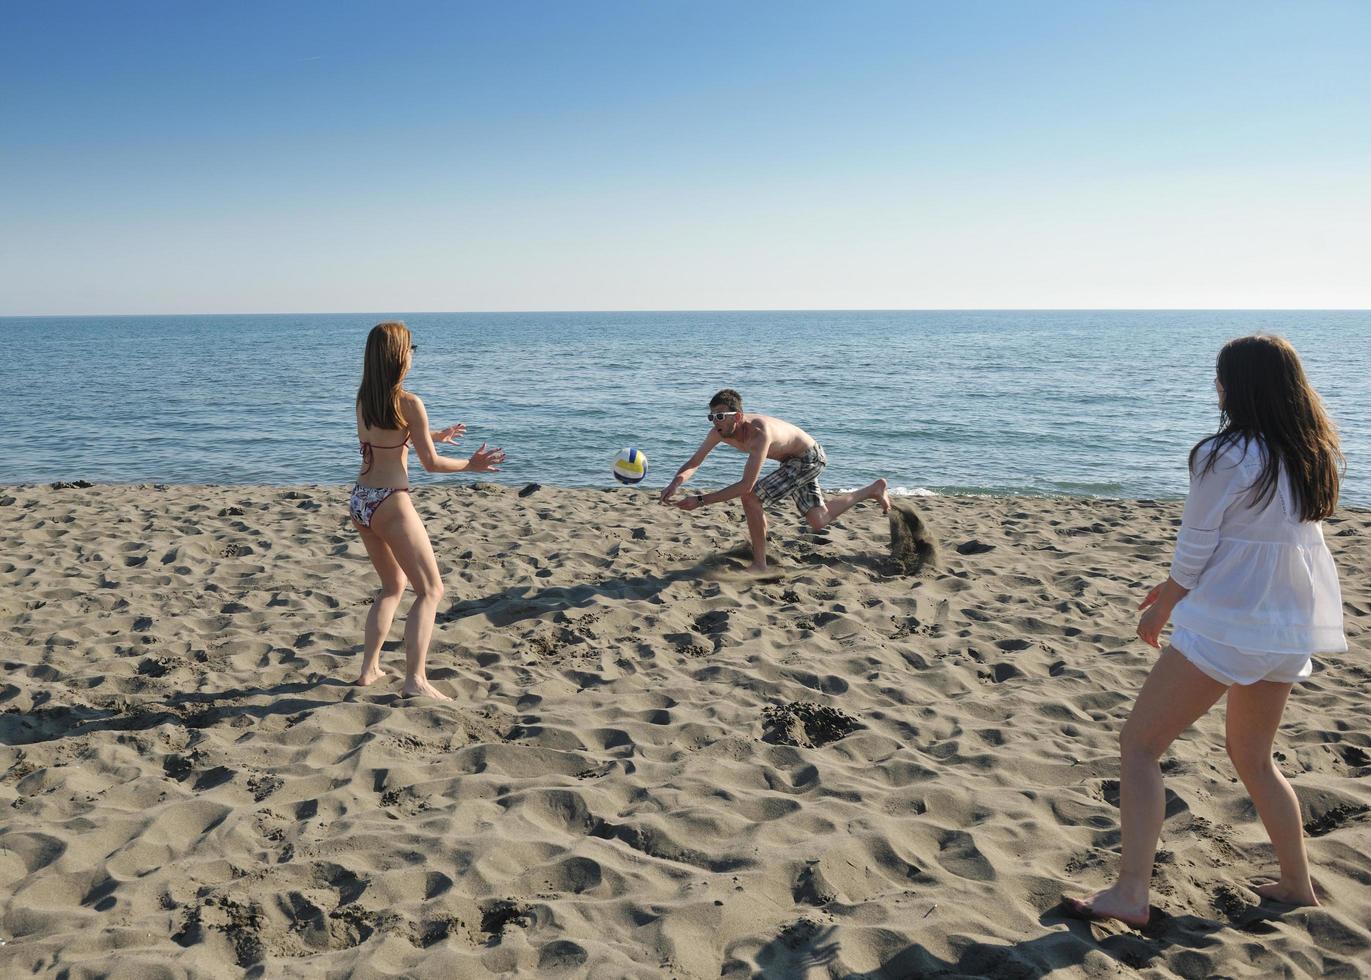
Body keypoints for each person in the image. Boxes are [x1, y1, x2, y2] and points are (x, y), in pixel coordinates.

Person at [1064, 334, 1346, 928]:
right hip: (1286, 625)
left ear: (1233, 387)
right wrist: (1169, 594)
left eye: (1219, 379)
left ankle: (1131, 893)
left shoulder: (1225, 453)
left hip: (1229, 621)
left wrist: (1162, 607)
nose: (1214, 388)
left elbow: (1196, 547)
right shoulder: (1308, 452)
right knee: (1254, 757)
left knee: (1139, 746)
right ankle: (1296, 883)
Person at [349, 321, 505, 700]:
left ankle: (369, 669)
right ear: (399, 357)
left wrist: (433, 434)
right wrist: (471, 465)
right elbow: (431, 465)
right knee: (431, 590)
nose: (413, 355)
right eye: (411, 349)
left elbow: (390, 436)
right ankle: (415, 680)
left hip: (361, 500)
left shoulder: (364, 399)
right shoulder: (409, 401)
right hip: (390, 502)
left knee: (392, 587)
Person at [659, 389, 891, 572]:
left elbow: (746, 486)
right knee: (818, 521)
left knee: (751, 498)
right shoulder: (719, 433)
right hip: (791, 461)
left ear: (737, 416)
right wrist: (675, 482)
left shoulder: (759, 433)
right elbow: (694, 462)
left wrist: (700, 500)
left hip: (808, 458)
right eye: (711, 416)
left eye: (720, 416)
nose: (714, 422)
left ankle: (760, 564)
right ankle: (872, 489)